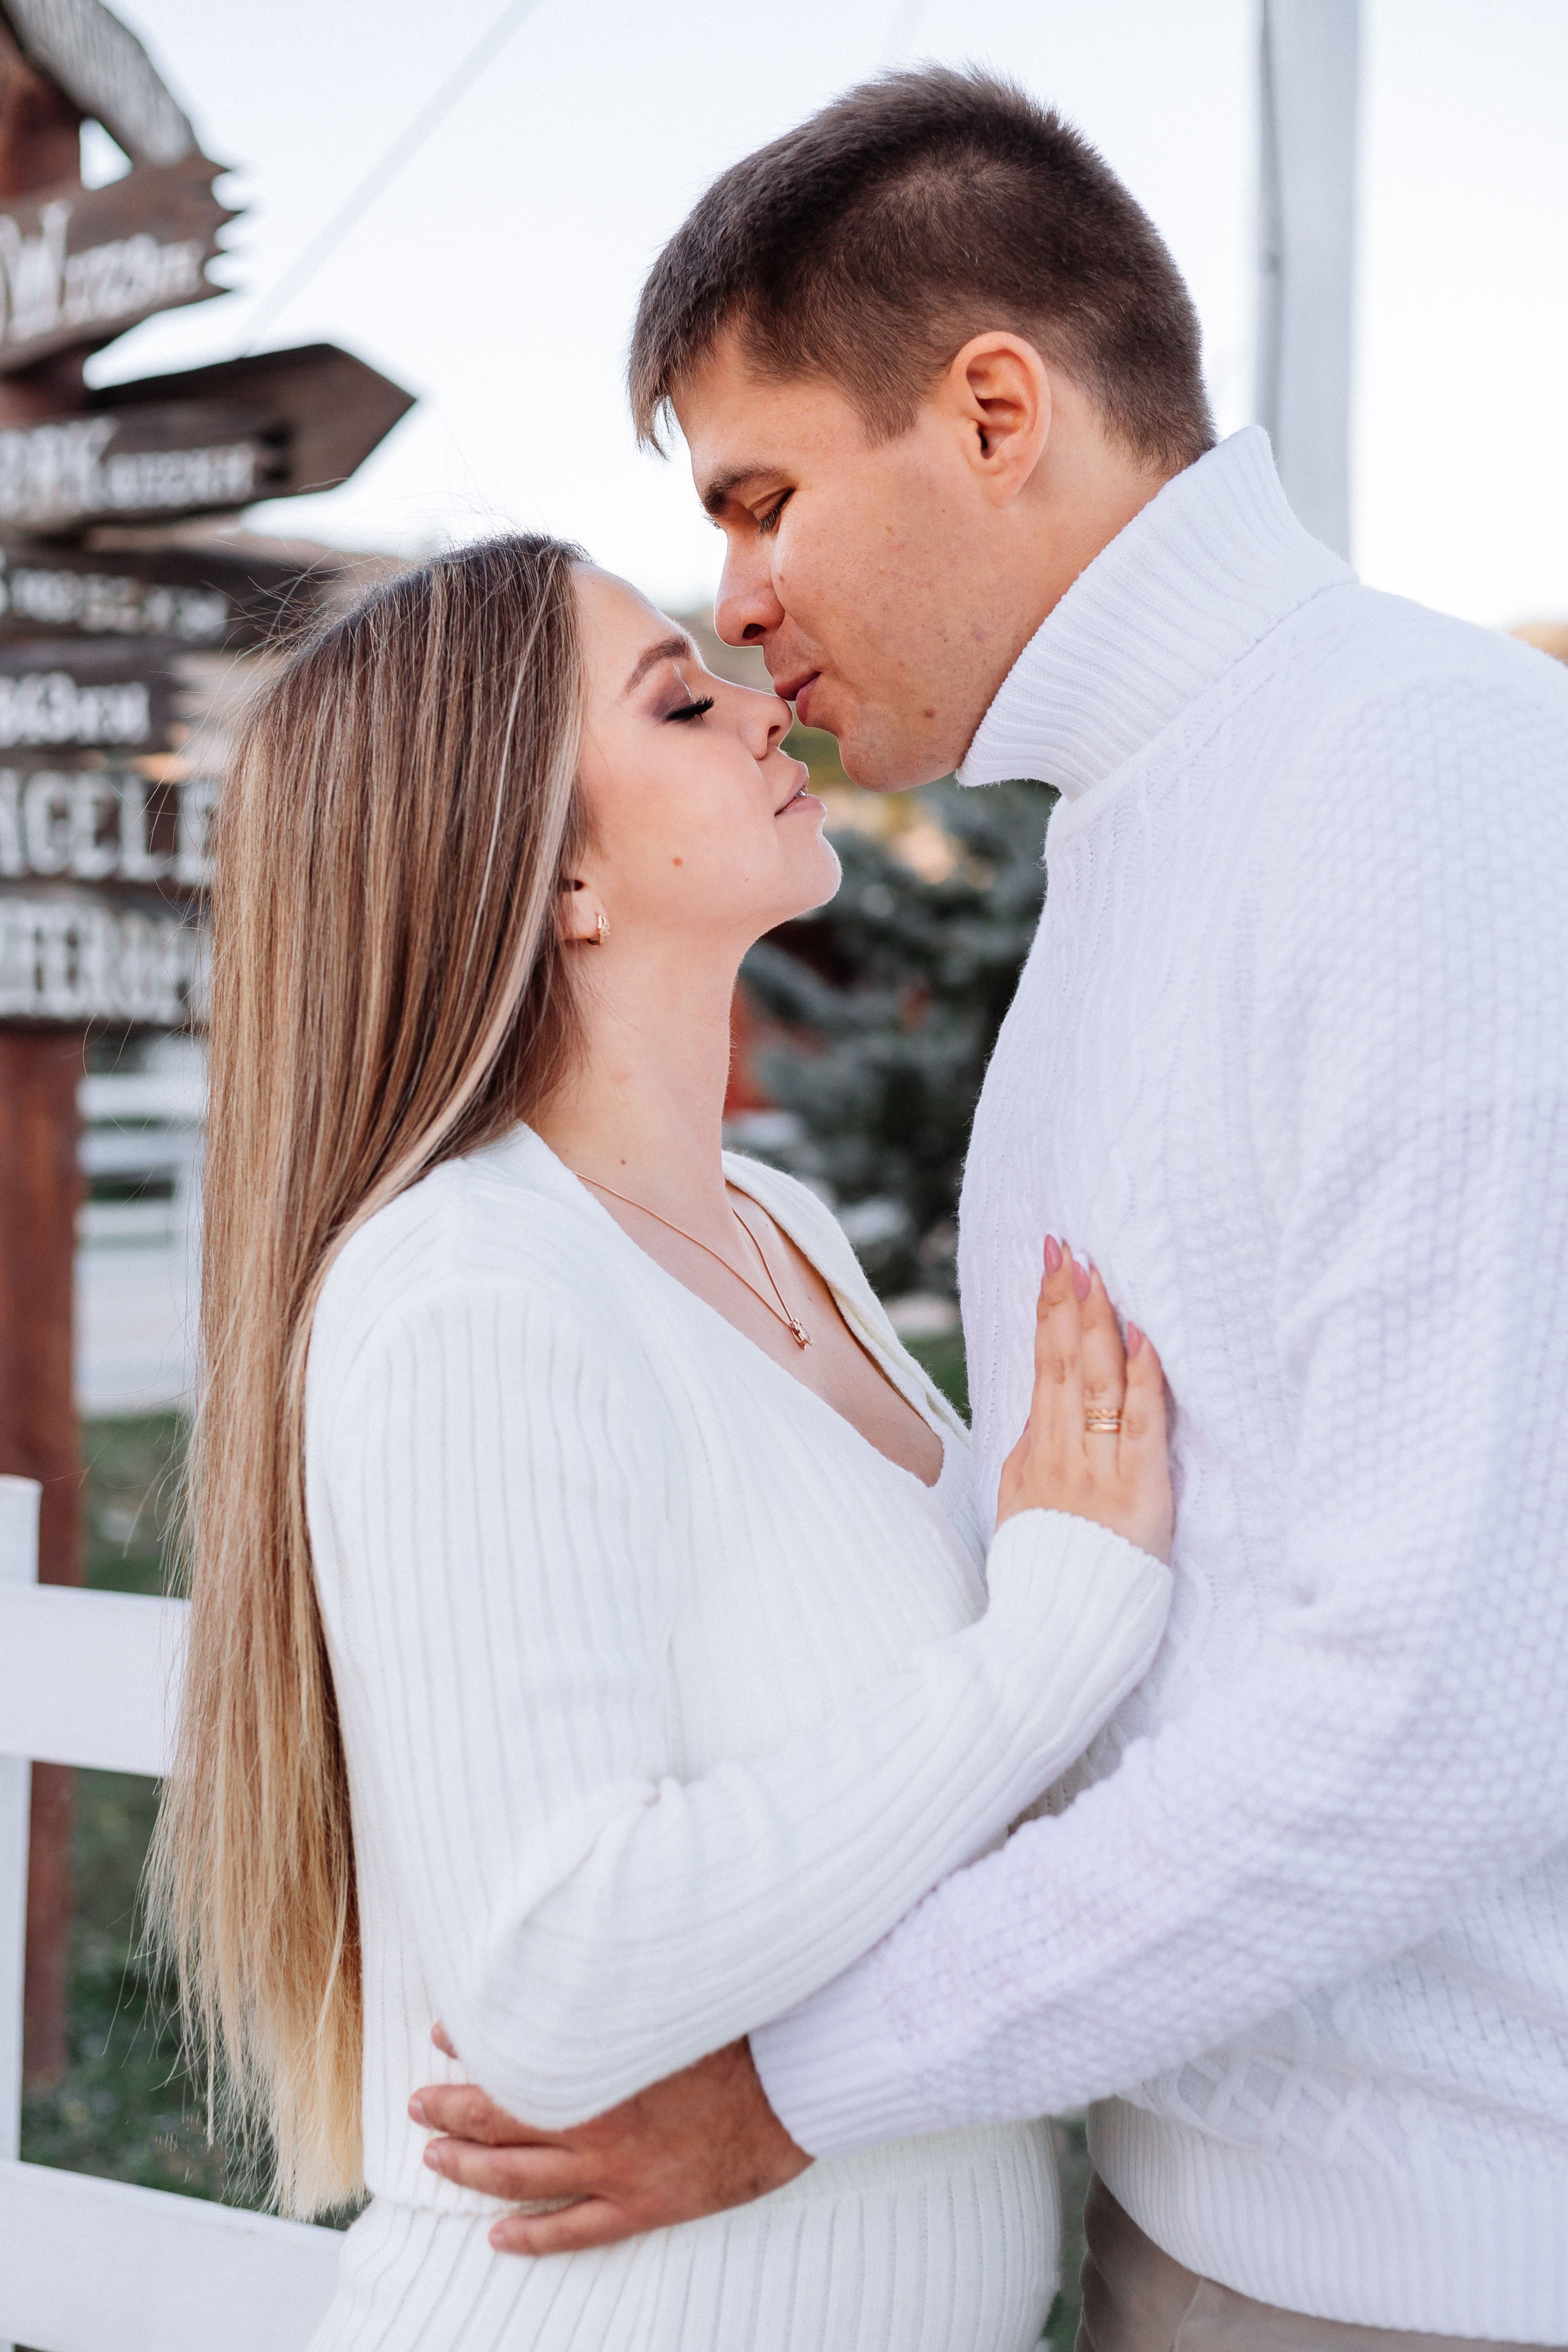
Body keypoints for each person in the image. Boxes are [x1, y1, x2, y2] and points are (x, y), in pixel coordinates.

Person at [412, 67, 1568, 2352]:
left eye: (761, 500)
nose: (738, 609)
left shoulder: (1428, 786)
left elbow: (1442, 1700)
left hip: (1415, 2281)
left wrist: (801, 2088)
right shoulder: (1138, 844)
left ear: (997, 409)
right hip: (1182, 2226)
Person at [149, 530, 1176, 2351]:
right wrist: (1057, 1634)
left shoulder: (780, 1225)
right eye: (682, 700)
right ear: (557, 884)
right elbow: (560, 1976)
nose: (766, 702)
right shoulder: (472, 1291)